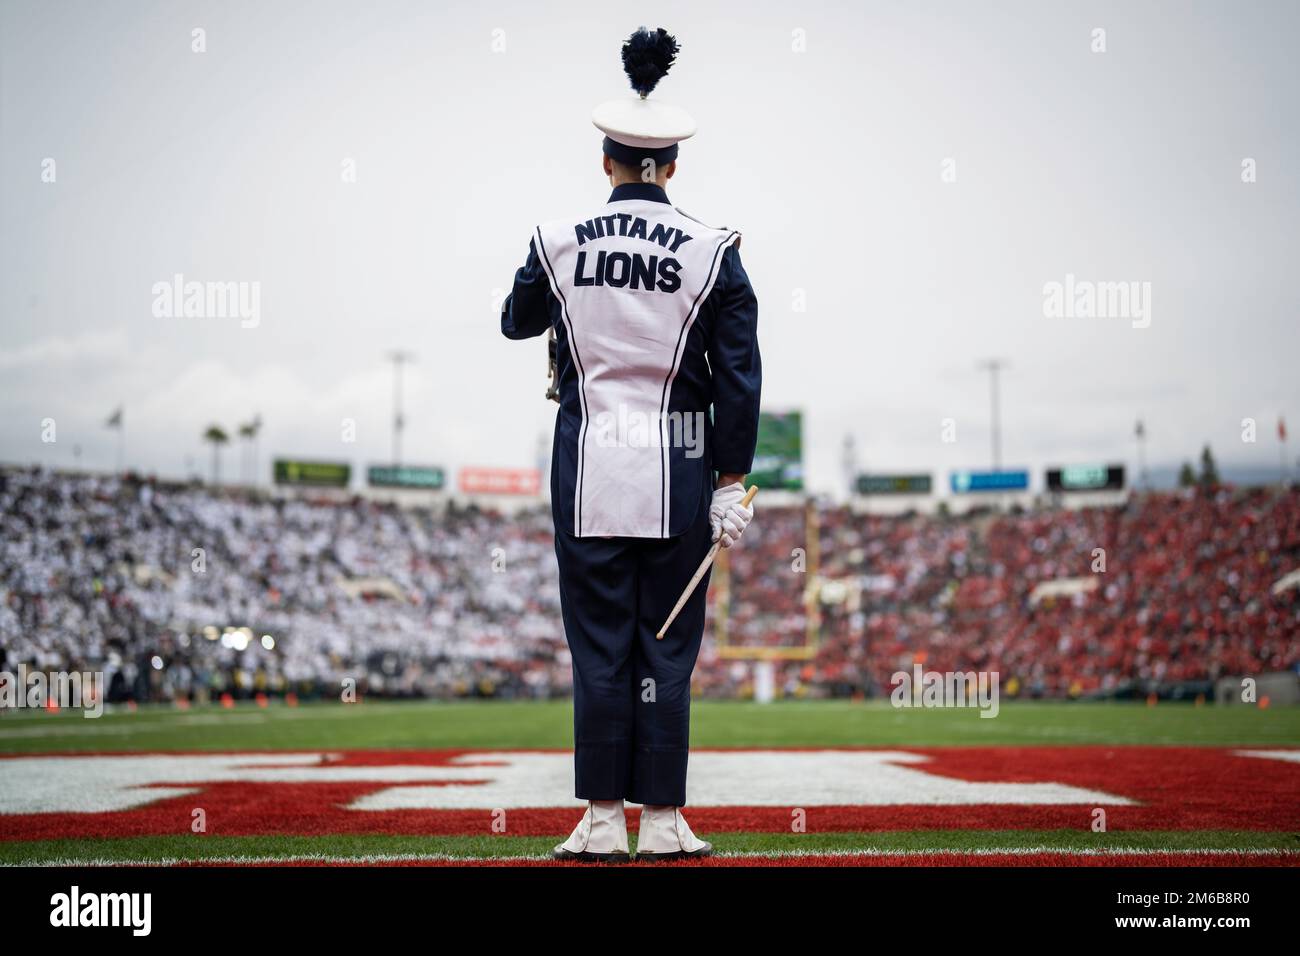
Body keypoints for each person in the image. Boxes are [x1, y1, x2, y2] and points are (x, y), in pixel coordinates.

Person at [501, 27, 761, 862]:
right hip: (682, 474)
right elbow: (741, 377)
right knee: (668, 652)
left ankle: (603, 817)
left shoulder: (559, 236)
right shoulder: (716, 251)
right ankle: (664, 822)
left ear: (604, 160)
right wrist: (731, 480)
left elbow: (515, 322)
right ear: (672, 166)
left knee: (601, 650)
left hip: (586, 476)